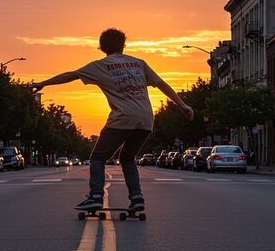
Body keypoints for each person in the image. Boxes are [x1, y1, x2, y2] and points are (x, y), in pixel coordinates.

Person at [30, 28, 194, 211]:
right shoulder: (138, 63)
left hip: (122, 118)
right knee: (128, 158)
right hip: (146, 119)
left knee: (98, 158)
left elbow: (70, 75)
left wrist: (43, 83)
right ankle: (137, 197)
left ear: (101, 47)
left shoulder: (100, 65)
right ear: (124, 45)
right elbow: (161, 84)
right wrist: (183, 105)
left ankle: (96, 196)